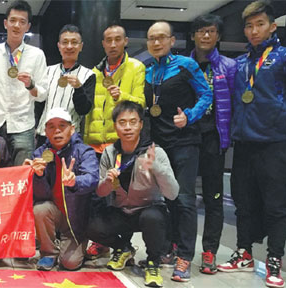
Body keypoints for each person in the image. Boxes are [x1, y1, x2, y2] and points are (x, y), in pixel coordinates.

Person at [217, 2, 286, 287]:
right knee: (244, 204)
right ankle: (244, 253)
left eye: (260, 24)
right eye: (249, 26)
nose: (254, 31)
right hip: (244, 145)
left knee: (276, 207)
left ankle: (275, 259)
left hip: (274, 144)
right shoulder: (240, 64)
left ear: (273, 26)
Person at [144, 20, 213, 282]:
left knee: (184, 200)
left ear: (172, 40)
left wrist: (191, 116)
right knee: (167, 200)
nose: (156, 42)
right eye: (151, 38)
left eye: (161, 37)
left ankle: (185, 255)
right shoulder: (149, 71)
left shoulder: (186, 65)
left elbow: (206, 94)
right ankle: (169, 249)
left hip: (185, 142)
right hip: (160, 145)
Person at [87, 101, 178, 288]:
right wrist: (107, 182)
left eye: (133, 122)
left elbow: (173, 194)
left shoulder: (155, 152)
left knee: (153, 217)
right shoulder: (110, 153)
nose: (127, 127)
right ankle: (123, 248)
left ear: (141, 124)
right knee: (89, 224)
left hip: (149, 211)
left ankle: (153, 262)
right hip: (121, 212)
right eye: (122, 122)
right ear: (115, 126)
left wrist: (157, 168)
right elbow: (100, 191)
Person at [83, 23, 146, 261]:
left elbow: (141, 103)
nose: (112, 44)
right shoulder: (95, 72)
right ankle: (104, 243)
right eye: (108, 40)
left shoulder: (136, 67)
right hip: (94, 143)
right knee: (97, 199)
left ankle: (124, 245)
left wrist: (123, 96)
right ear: (102, 43)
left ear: (125, 41)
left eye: (117, 39)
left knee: (120, 199)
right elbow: (90, 110)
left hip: (120, 143)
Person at [189, 14, 236, 275]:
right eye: (201, 31)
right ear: (193, 35)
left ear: (217, 36)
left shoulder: (229, 67)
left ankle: (209, 250)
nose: (206, 36)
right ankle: (178, 245)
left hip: (214, 140)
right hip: (186, 139)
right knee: (182, 196)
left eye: (211, 31)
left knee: (213, 198)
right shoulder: (183, 65)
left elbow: (237, 104)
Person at [24, 107, 99, 271]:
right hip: (55, 213)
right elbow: (40, 195)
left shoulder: (84, 151)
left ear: (72, 129)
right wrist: (38, 175)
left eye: (62, 126)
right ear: (45, 131)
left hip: (77, 217)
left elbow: (93, 179)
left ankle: (75, 242)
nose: (57, 131)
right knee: (40, 208)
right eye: (51, 126)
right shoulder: (40, 153)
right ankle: (48, 253)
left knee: (69, 263)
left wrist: (75, 182)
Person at [0, 0, 48, 166]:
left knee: (21, 175)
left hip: (23, 125)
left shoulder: (37, 55)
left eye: (22, 22)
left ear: (28, 26)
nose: (17, 25)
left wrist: (31, 85)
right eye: (13, 21)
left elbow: (43, 94)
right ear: (5, 23)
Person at [35, 24, 94, 145]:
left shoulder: (88, 74)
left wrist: (79, 88)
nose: (69, 46)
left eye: (74, 42)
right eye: (65, 42)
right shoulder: (47, 70)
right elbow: (38, 105)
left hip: (70, 136)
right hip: (44, 134)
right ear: (59, 46)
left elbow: (84, 110)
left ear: (81, 46)